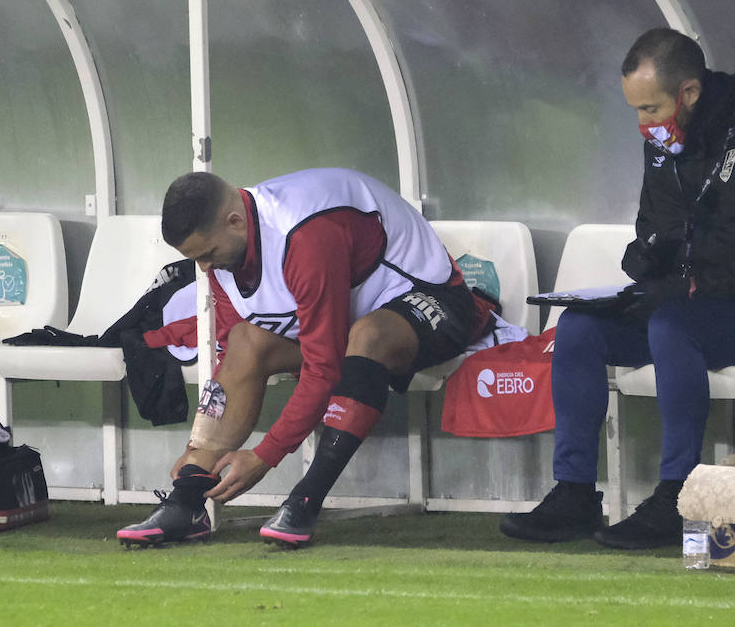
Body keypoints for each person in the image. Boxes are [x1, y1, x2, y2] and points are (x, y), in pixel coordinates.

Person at [500, 28, 735, 550]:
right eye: (636, 111)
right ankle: (574, 493)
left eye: (651, 108)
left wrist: (690, 287)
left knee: (670, 324)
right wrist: (646, 258)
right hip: (693, 310)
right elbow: (657, 229)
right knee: (579, 326)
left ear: (688, 92)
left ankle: (677, 496)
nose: (644, 124)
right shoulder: (667, 146)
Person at [117, 167, 495, 548]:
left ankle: (305, 501)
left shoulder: (305, 235)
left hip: (439, 302)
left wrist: (265, 456)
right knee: (246, 341)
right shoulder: (224, 251)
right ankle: (187, 503)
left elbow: (325, 366)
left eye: (208, 254)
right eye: (196, 258)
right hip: (351, 320)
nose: (204, 267)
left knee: (368, 337)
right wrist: (195, 450)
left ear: (233, 222)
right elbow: (230, 353)